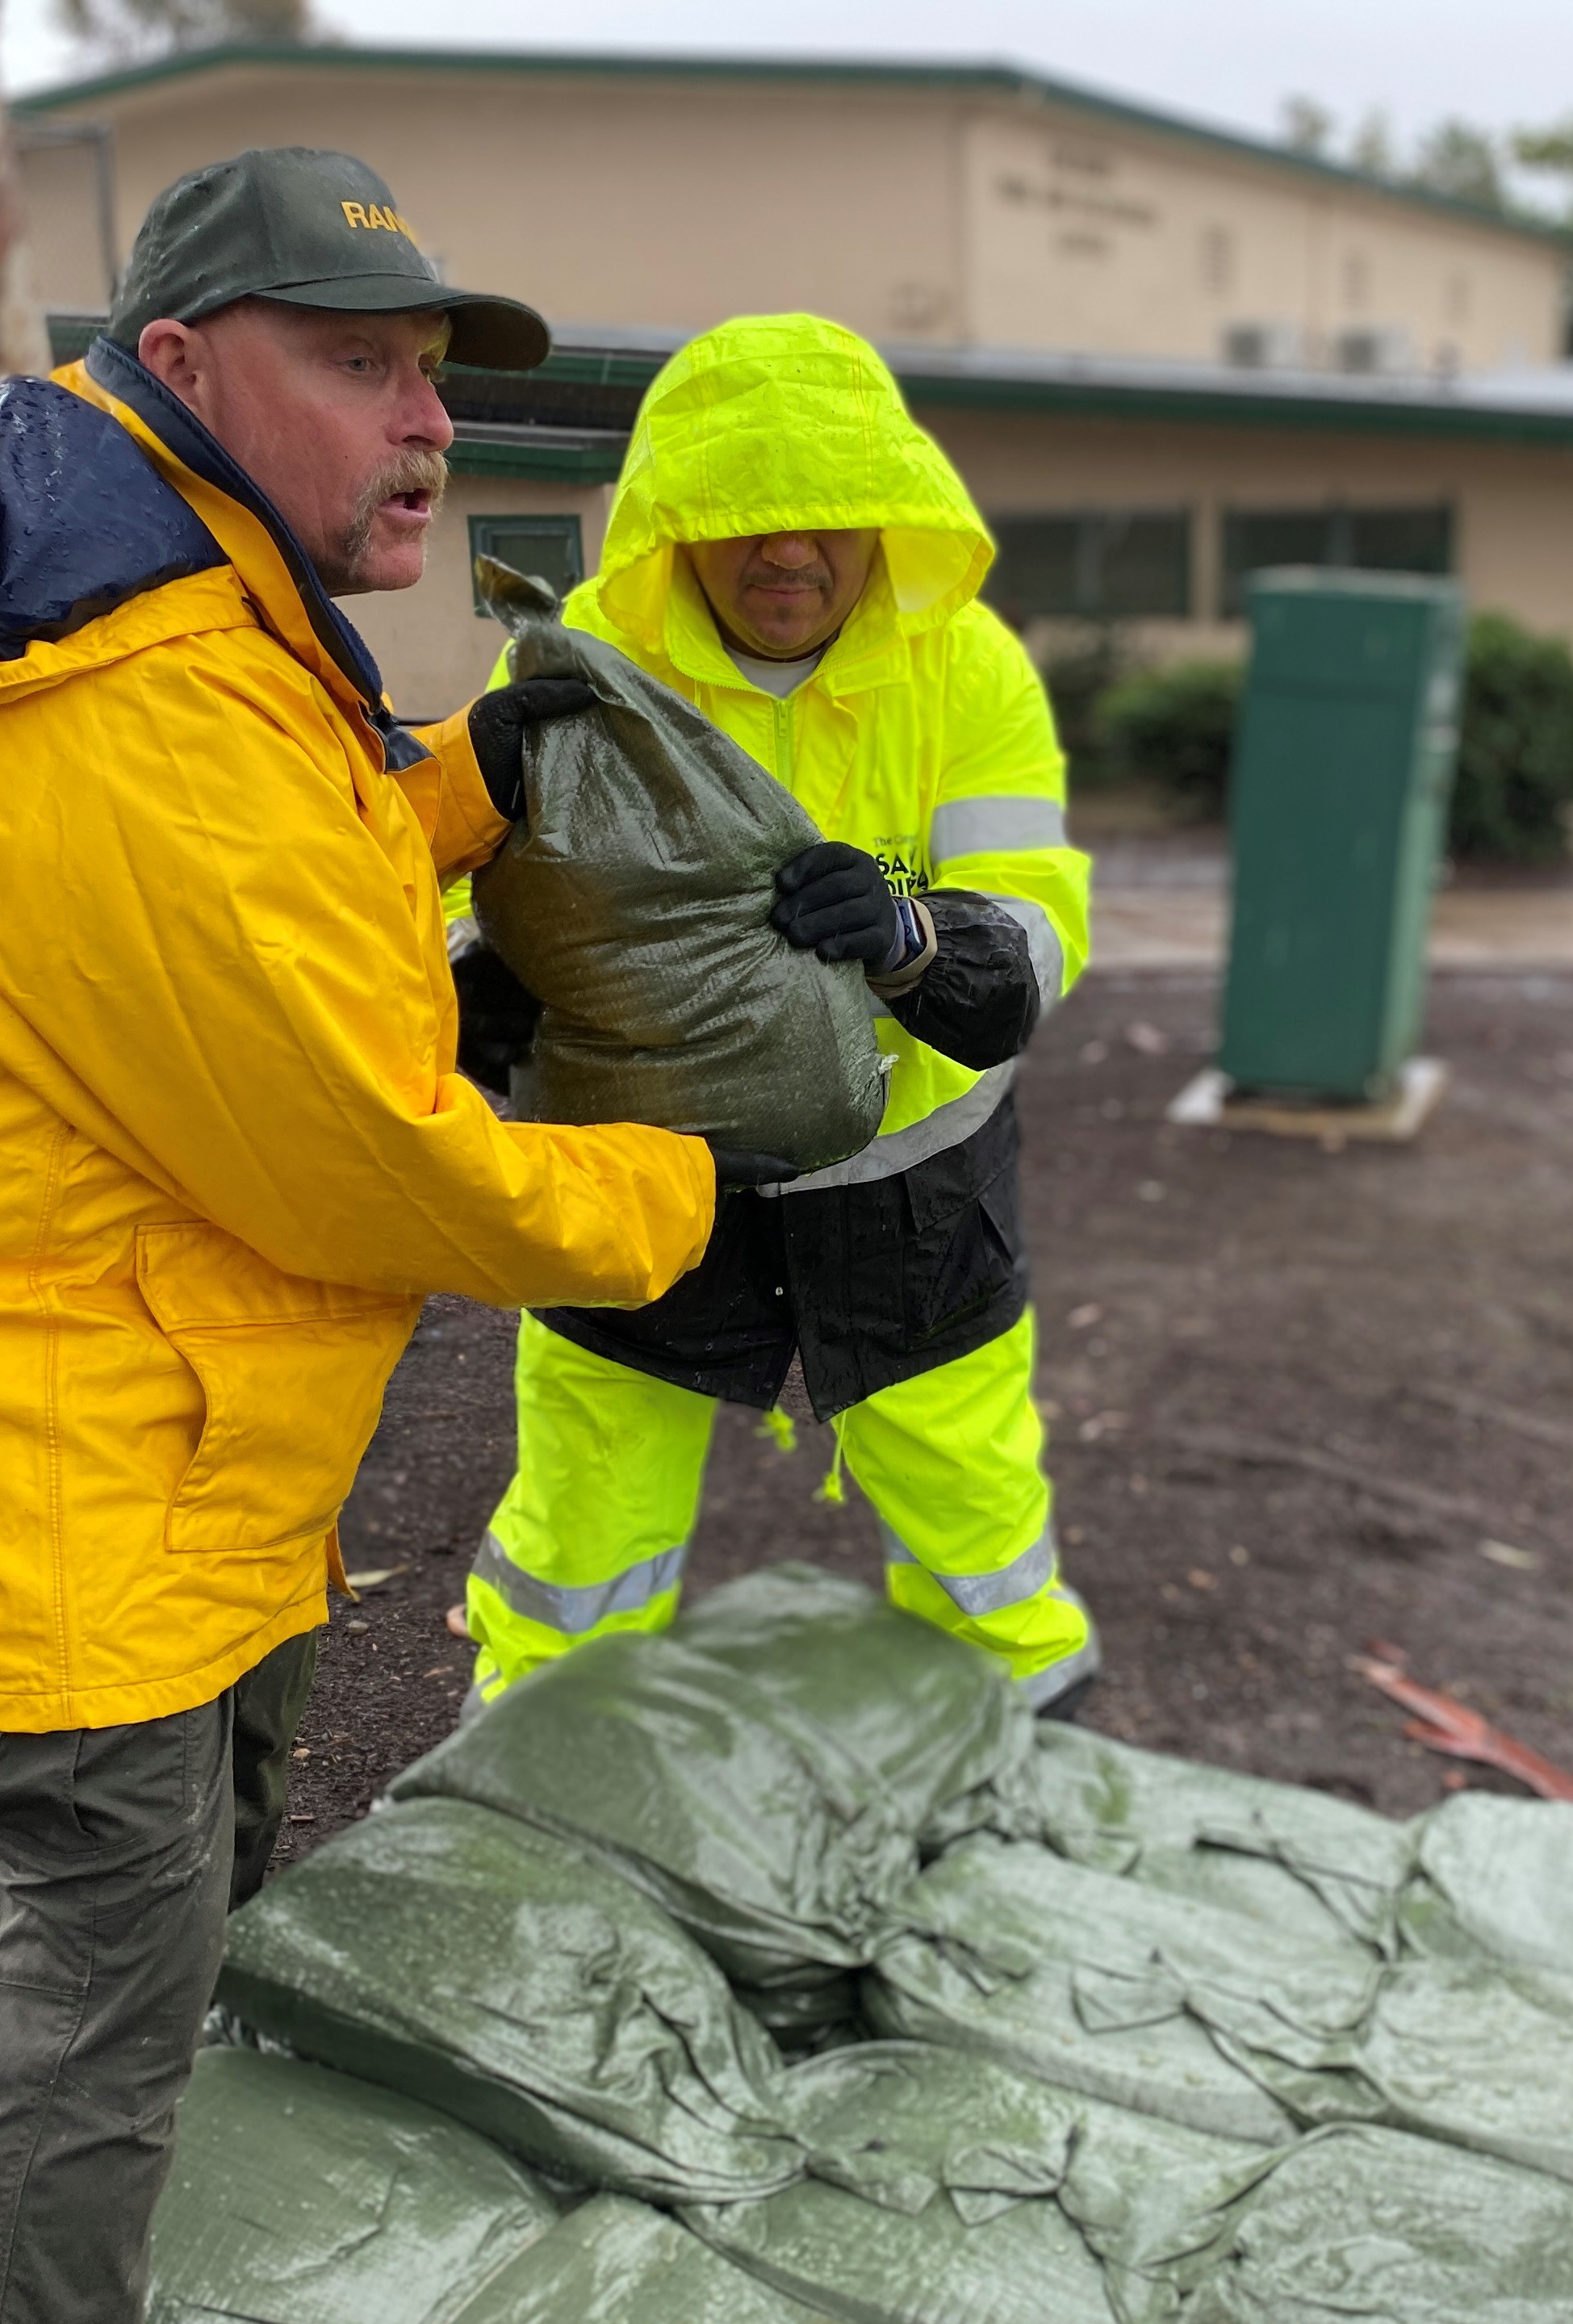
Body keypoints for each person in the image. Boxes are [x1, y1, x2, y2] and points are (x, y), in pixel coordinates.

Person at [0, 149, 732, 2324]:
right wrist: (689, 1188)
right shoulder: (120, 688)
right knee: (103, 1989)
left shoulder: (138, 579)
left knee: (177, 1905)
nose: (425, 430)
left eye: (429, 378)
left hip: (108, 1355)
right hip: (48, 1419)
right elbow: (360, 1154)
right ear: (180, 362)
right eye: (359, 368)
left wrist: (461, 787)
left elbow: (248, 878)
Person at [450, 314, 1098, 1711]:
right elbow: (479, 884)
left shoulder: (969, 668)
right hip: (643, 1166)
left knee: (971, 1496)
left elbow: (1039, 920)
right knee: (588, 1501)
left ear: (886, 521)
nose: (786, 557)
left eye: (824, 522)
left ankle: (1030, 1718)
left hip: (910, 1181)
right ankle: (532, 1756)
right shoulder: (572, 670)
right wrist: (472, 978)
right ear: (677, 524)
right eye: (744, 522)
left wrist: (920, 940)